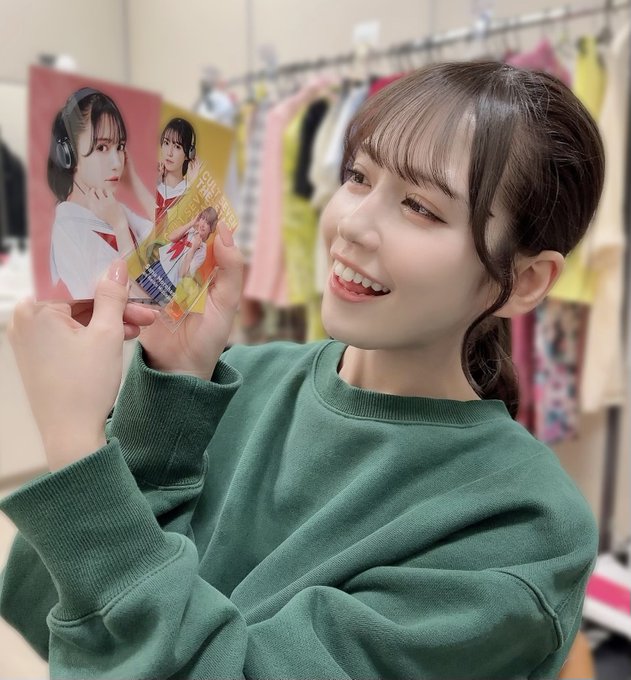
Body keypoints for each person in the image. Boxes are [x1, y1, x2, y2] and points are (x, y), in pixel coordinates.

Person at [1, 62, 604, 679]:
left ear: (524, 280)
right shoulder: (236, 380)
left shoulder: (523, 524)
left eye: (420, 207)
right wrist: (167, 396)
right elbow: (54, 616)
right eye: (358, 177)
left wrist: (76, 447)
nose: (352, 224)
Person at [48, 87, 155, 299]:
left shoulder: (111, 210)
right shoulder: (68, 229)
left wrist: (135, 183)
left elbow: (169, 236)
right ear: (69, 155)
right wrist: (120, 226)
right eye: (102, 148)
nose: (117, 163)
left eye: (120, 147)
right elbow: (142, 299)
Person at [136, 206, 219, 303]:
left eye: (208, 223)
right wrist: (191, 223)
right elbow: (171, 237)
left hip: (169, 283)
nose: (203, 224)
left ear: (211, 229)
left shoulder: (202, 252)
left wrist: (193, 249)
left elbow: (183, 273)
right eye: (202, 218)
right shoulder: (190, 231)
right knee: (137, 289)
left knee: (148, 305)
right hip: (159, 267)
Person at [155, 117, 202, 223]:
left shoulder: (189, 192)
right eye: (166, 143)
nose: (169, 152)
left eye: (177, 147)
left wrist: (192, 187)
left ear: (188, 154)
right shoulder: (151, 182)